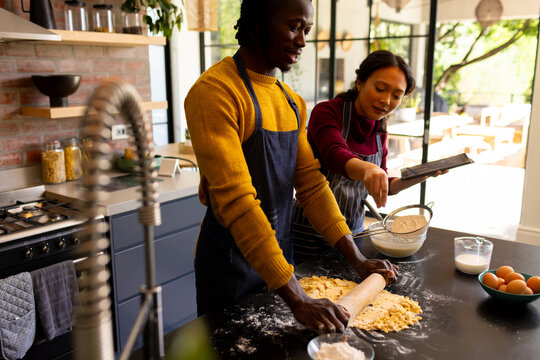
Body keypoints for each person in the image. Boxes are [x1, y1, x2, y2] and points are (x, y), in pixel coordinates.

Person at [184, 0, 398, 334]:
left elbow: (311, 186)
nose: (302, 41)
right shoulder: (216, 92)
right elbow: (238, 203)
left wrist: (357, 259)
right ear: (258, 22)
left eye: (307, 31)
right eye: (294, 27)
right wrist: (296, 298)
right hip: (230, 267)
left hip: (280, 260)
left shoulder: (290, 101)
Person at [292, 50, 446, 259]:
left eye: (396, 95)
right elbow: (334, 154)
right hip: (310, 236)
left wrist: (421, 174)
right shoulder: (328, 112)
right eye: (380, 88)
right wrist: (367, 168)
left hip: (354, 236)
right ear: (359, 82)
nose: (386, 101)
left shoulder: (379, 129)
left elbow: (386, 185)